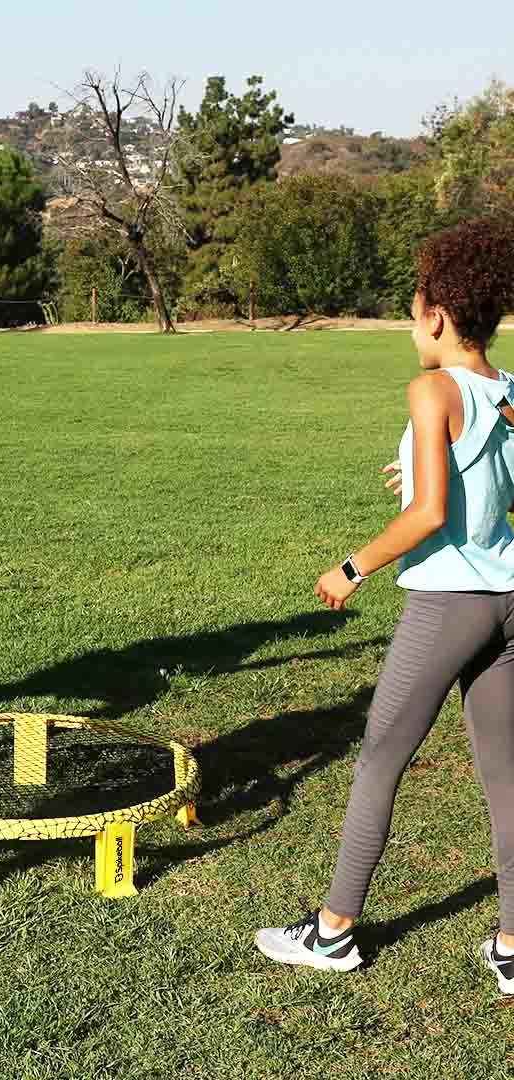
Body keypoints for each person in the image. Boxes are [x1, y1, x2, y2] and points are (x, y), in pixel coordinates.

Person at [255, 219, 514, 988]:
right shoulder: (507, 389)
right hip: (509, 599)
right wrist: (433, 473)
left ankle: (333, 932)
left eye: (412, 315)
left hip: (449, 603)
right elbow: (489, 485)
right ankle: (512, 947)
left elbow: (430, 515)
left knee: (377, 760)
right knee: (506, 774)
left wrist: (352, 566)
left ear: (437, 318)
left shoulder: (432, 388)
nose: (411, 329)